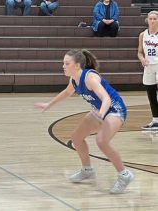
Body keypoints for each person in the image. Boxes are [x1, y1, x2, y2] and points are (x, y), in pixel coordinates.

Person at [35, 49, 134, 194]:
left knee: (101, 141)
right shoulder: (74, 80)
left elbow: (106, 98)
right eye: (63, 63)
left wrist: (100, 115)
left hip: (114, 110)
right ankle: (87, 170)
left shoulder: (89, 78)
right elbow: (67, 92)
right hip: (100, 111)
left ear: (77, 65)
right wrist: (48, 104)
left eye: (67, 63)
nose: (63, 66)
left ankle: (124, 175)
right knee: (76, 137)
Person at [138, 11, 158, 130]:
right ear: (147, 20)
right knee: (151, 93)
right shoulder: (142, 35)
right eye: (150, 18)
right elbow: (140, 52)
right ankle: (155, 120)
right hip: (149, 66)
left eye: (155, 19)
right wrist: (142, 59)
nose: (152, 21)